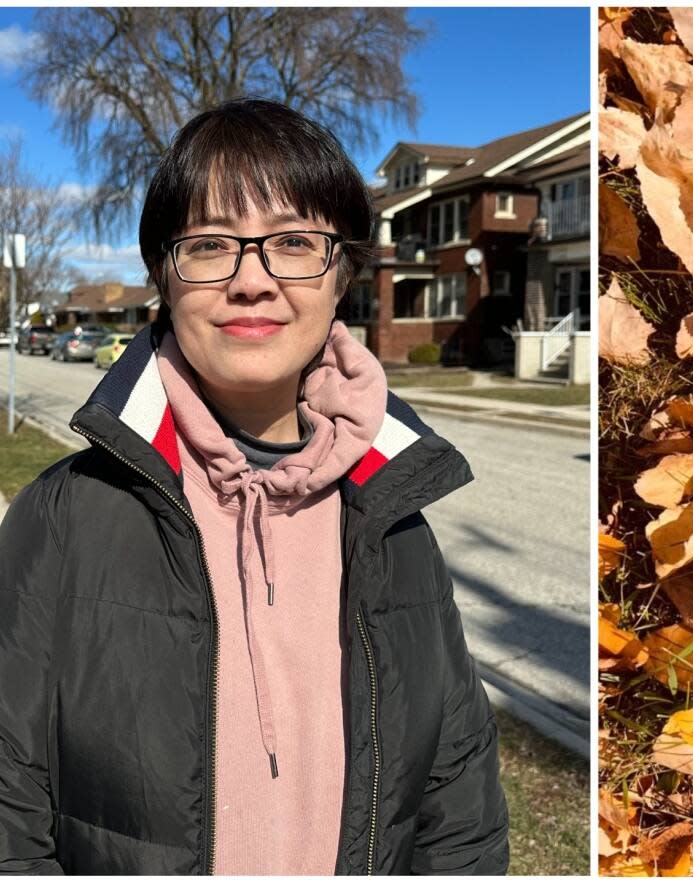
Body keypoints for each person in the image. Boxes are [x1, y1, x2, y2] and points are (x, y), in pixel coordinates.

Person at [0, 98, 509, 875]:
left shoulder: (394, 513)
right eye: (209, 245)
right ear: (162, 277)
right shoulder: (62, 517)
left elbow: (458, 803)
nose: (252, 280)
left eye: (294, 242)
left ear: (341, 275)